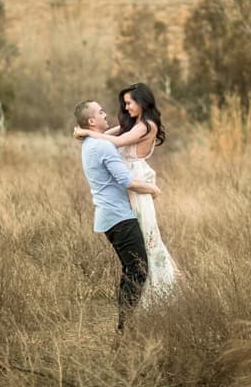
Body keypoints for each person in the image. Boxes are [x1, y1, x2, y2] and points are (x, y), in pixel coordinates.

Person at [74, 83, 178, 306]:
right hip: (127, 184)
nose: (125, 106)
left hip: (134, 179)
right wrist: (90, 133)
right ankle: (142, 301)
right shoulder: (132, 124)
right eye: (125, 103)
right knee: (140, 241)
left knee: (148, 236)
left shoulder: (147, 125)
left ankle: (161, 293)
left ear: (141, 102)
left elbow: (118, 142)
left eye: (129, 102)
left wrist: (85, 131)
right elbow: (107, 135)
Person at [74, 99, 161, 335]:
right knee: (138, 270)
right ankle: (126, 326)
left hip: (110, 216)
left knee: (131, 269)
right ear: (92, 121)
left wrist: (82, 131)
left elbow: (119, 133)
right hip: (118, 217)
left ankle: (126, 324)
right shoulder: (101, 147)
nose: (105, 114)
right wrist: (152, 189)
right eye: (100, 112)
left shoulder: (92, 143)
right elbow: (126, 182)